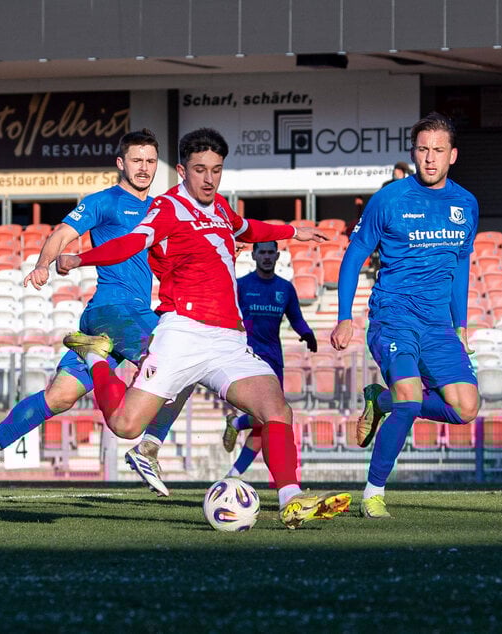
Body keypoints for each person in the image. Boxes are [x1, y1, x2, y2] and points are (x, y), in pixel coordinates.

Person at [57, 127, 351, 529]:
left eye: (216, 169)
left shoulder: (220, 210)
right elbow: (130, 243)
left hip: (228, 339)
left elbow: (246, 228)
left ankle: (291, 499)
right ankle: (94, 356)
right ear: (182, 171)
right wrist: (81, 258)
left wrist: (291, 231)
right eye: (200, 170)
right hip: (184, 333)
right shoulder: (166, 207)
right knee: (126, 425)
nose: (209, 178)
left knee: (276, 409)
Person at [0, 128, 190, 497]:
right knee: (180, 362)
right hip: (114, 310)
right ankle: (148, 447)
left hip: (118, 319)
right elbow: (62, 234)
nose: (144, 167)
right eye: (137, 160)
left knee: (61, 396)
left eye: (150, 161)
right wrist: (42, 264)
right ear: (121, 163)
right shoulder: (104, 202)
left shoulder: (162, 208)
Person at [330, 112, 480, 520]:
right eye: (422, 149)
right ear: (413, 152)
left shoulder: (466, 204)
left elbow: (460, 266)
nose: (429, 158)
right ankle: (373, 492)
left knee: (465, 408)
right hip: (393, 317)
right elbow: (355, 254)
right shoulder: (390, 198)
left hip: (437, 325)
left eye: (438, 150)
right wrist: (345, 316)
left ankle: (380, 400)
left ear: (453, 155)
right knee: (411, 401)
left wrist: (460, 324)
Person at [220, 240, 317, 479]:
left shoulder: (285, 288)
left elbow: (296, 318)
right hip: (246, 357)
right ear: (253, 256)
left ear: (277, 256)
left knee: (267, 420)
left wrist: (307, 333)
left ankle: (233, 470)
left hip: (274, 360)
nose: (266, 256)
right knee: (265, 416)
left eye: (270, 252)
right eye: (261, 252)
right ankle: (237, 441)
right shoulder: (242, 286)